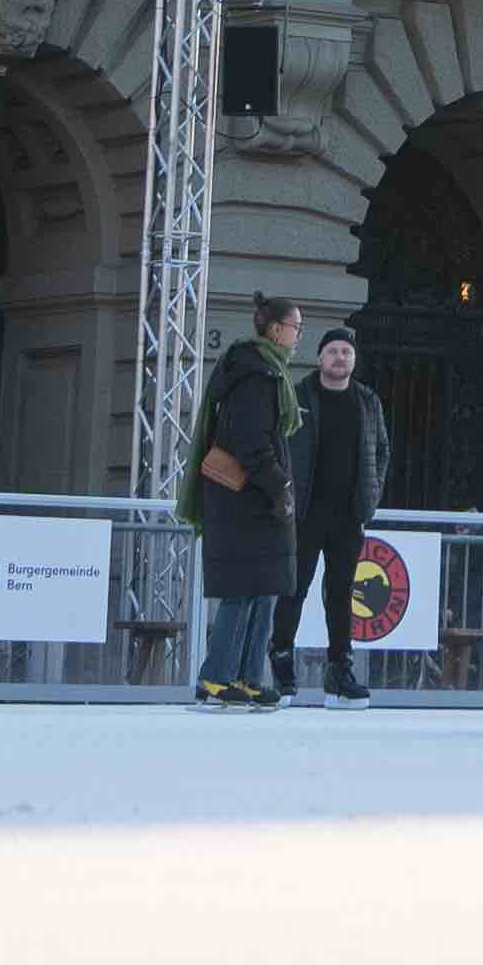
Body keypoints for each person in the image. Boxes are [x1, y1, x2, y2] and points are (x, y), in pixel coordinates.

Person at [182, 297, 301, 703]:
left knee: (263, 590)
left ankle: (249, 677)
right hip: (245, 502)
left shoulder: (264, 372)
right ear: (274, 330)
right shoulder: (257, 376)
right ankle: (217, 677)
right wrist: (279, 485)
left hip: (252, 503)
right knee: (243, 591)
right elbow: (251, 443)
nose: (298, 336)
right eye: (295, 327)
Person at [287, 321, 395, 701]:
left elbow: (381, 450)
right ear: (319, 358)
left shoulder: (367, 401)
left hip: (348, 515)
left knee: (340, 594)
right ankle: (282, 663)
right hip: (304, 514)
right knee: (293, 589)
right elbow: (281, 448)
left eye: (346, 352)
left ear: (354, 360)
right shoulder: (298, 394)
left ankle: (340, 672)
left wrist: (372, 494)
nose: (340, 357)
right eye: (333, 351)